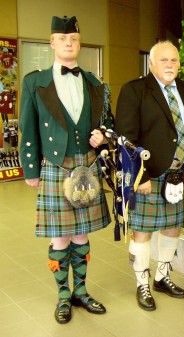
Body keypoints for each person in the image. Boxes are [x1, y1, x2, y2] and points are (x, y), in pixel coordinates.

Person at [18, 16, 113, 324]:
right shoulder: (35, 81)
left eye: (73, 39)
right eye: (62, 39)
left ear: (79, 43)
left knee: (82, 234)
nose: (69, 44)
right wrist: (30, 168)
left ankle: (81, 292)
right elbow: (27, 127)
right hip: (56, 165)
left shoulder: (95, 82)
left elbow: (107, 123)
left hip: (86, 164)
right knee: (60, 237)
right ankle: (62, 296)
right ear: (52, 43)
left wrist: (102, 136)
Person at [115, 40, 184, 312]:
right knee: (143, 231)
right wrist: (141, 175)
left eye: (174, 60)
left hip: (176, 173)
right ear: (151, 63)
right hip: (148, 174)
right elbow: (127, 137)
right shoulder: (135, 90)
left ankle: (162, 276)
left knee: (172, 225)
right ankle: (142, 283)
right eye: (164, 60)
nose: (170, 65)